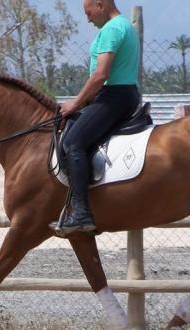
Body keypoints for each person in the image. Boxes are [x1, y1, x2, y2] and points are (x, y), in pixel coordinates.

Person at [57, 0, 141, 235]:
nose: (87, 19)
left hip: (113, 96)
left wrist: (76, 102)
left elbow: (100, 75)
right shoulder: (125, 26)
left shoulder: (112, 30)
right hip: (124, 94)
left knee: (74, 142)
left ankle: (82, 213)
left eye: (88, 12)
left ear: (101, 5)